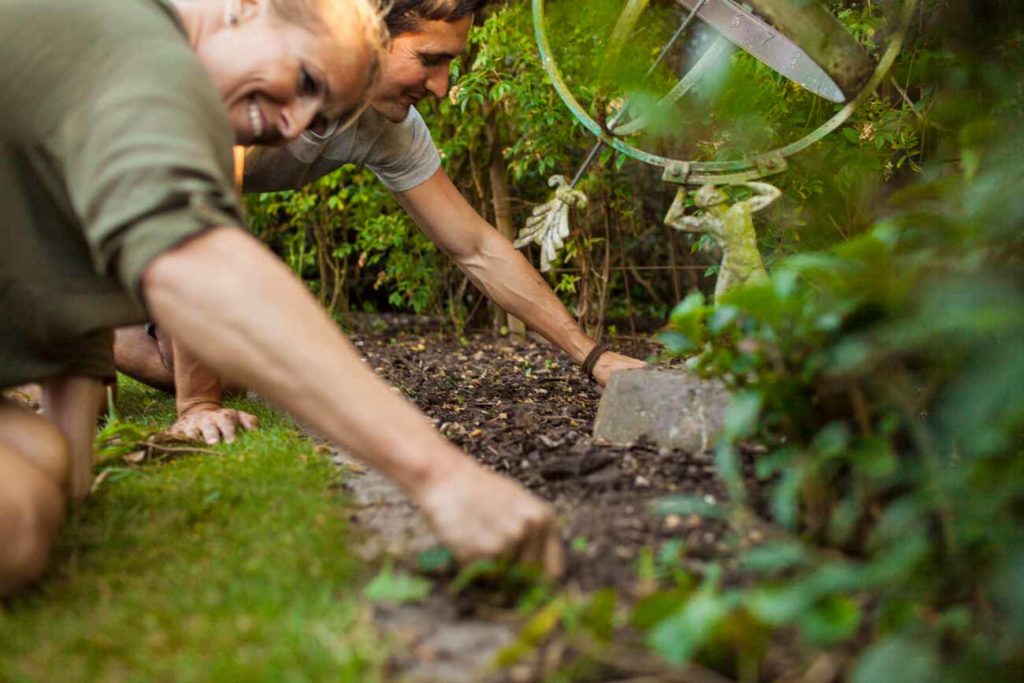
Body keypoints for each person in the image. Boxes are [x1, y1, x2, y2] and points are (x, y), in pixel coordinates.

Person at [1, 0, 562, 597]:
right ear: (248, 9)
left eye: (322, 112)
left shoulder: (127, 92)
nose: (294, 128)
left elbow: (62, 254)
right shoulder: (135, 48)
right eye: (306, 82)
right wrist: (440, 474)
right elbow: (200, 267)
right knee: (17, 521)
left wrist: (70, 467)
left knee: (40, 489)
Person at [113, 0, 648, 445]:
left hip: (151, 219)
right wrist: (196, 406)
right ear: (367, 30)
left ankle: (84, 328)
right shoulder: (247, 66)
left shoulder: (387, 126)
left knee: (227, 370)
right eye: (429, 59)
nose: (440, 87)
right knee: (185, 378)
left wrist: (594, 359)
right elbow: (201, 223)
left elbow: (476, 247)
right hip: (78, 185)